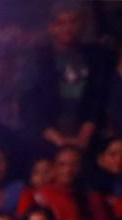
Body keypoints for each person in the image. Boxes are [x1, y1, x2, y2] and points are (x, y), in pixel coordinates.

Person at [19, 1, 108, 155]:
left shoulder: (95, 56)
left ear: (81, 25)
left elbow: (99, 95)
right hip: (47, 135)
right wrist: (56, 138)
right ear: (51, 27)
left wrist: (85, 134)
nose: (67, 28)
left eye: (73, 22)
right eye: (61, 23)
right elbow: (27, 102)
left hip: (87, 133)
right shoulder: (39, 58)